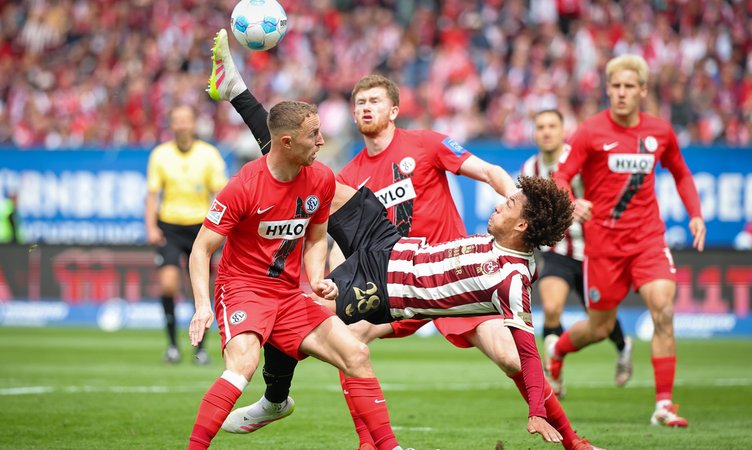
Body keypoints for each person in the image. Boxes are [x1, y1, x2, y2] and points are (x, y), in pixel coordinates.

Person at [206, 29, 600, 450]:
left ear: (395, 109)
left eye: (374, 100)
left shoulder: (427, 145)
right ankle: (341, 429)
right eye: (359, 102)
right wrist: (330, 278)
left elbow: (488, 171)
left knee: (510, 356)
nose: (365, 107)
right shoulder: (351, 173)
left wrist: (517, 202)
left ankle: (572, 441)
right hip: (387, 265)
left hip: (452, 286)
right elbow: (335, 239)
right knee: (328, 324)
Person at [186, 100, 405, 450]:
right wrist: (201, 305)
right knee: (243, 365)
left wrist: (316, 278)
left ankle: (389, 448)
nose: (321, 141)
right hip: (243, 289)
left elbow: (316, 237)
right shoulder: (243, 186)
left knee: (356, 354)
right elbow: (201, 249)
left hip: (287, 296)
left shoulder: (321, 179)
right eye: (313, 134)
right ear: (286, 142)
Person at [315, 176, 595, 449]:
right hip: (388, 242)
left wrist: (537, 412)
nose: (498, 205)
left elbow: (529, 354)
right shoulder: (500, 244)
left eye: (508, 204)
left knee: (307, 312)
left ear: (522, 225)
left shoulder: (511, 279)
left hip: (382, 286)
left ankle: (372, 441)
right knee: (324, 184)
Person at [549, 55, 706, 427]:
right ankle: (557, 351)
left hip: (648, 240)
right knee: (600, 328)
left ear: (643, 90)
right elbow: (561, 176)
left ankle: (663, 405)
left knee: (663, 310)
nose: (621, 93)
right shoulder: (590, 131)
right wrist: (573, 202)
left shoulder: (660, 132)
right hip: (603, 246)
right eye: (616, 86)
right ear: (607, 89)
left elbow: (682, 174)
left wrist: (695, 213)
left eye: (629, 86)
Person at [520, 109, 633, 397]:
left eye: (552, 126)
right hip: (557, 250)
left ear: (563, 131)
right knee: (552, 308)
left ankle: (623, 348)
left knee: (601, 323)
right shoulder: (530, 168)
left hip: (593, 251)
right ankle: (554, 375)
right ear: (534, 133)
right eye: (541, 127)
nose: (546, 132)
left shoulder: (582, 159)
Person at [145, 104, 228, 365]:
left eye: (186, 120)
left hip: (201, 228)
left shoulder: (209, 154)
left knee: (199, 288)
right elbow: (152, 195)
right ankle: (172, 345)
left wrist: (222, 228)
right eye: (177, 120)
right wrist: (151, 227)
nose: (182, 125)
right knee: (168, 284)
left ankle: (199, 349)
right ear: (171, 125)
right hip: (169, 225)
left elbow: (221, 194)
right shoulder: (160, 154)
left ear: (193, 124)